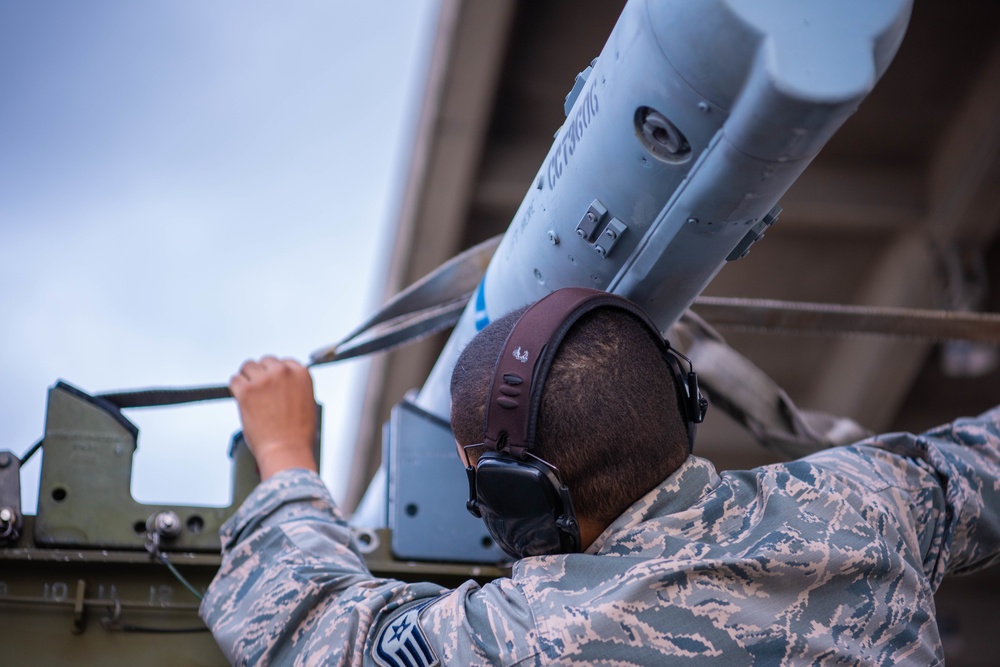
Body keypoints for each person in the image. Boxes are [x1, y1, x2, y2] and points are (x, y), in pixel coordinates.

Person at [201, 288, 1000, 666]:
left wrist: (282, 453)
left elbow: (310, 626)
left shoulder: (528, 639)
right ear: (681, 403)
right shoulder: (867, 499)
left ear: (522, 499)